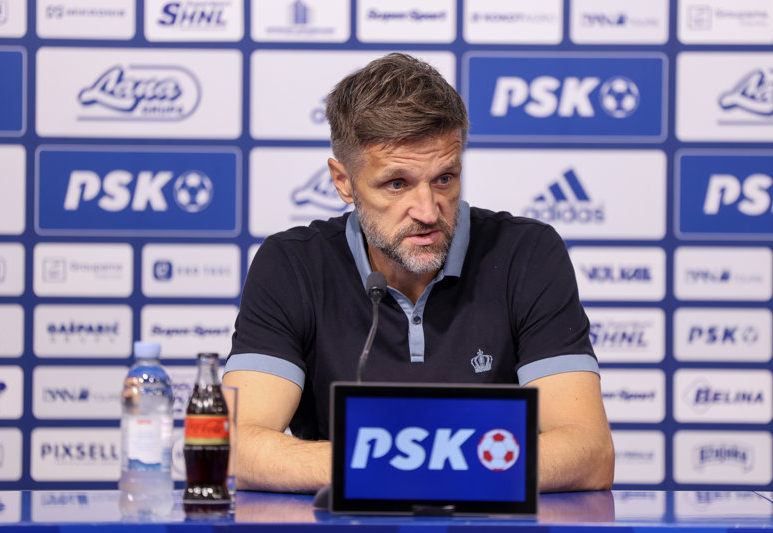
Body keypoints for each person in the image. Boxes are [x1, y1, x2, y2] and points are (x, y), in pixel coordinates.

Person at [223, 53, 614, 494]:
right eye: (397, 184)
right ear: (343, 181)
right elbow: (236, 447)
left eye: (444, 179)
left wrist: (390, 465)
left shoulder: (527, 253)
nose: (428, 212)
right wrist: (425, 464)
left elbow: (589, 453)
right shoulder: (292, 264)